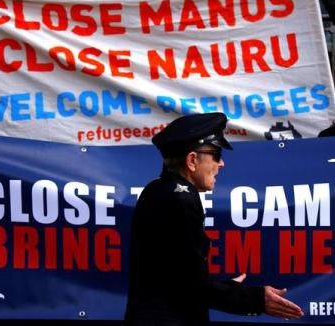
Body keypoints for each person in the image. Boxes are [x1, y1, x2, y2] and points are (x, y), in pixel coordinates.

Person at [124, 112, 303, 326]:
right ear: (192, 160)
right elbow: (191, 285)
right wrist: (256, 299)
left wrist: (227, 288)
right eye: (216, 154)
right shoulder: (182, 199)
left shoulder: (156, 189)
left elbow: (175, 275)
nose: (222, 164)